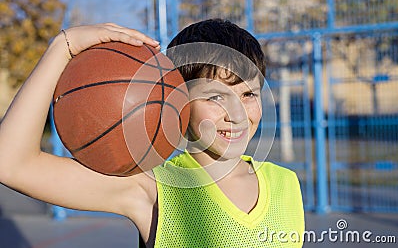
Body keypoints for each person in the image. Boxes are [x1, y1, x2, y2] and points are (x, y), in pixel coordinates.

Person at [0, 19, 304, 247]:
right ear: (177, 101)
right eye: (215, 97)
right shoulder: (152, 189)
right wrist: (63, 45)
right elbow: (10, 163)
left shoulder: (286, 184)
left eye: (249, 95)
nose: (236, 114)